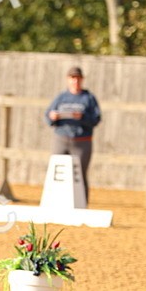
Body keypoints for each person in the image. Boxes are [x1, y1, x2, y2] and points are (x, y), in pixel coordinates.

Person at [45, 66, 102, 202]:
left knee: (79, 174)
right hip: (61, 138)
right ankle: (56, 202)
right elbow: (47, 116)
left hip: (82, 141)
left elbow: (96, 119)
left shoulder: (88, 98)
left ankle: (82, 204)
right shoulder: (61, 97)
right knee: (56, 172)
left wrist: (82, 117)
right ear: (68, 79)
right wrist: (52, 117)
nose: (75, 81)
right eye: (72, 78)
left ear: (82, 80)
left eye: (77, 78)